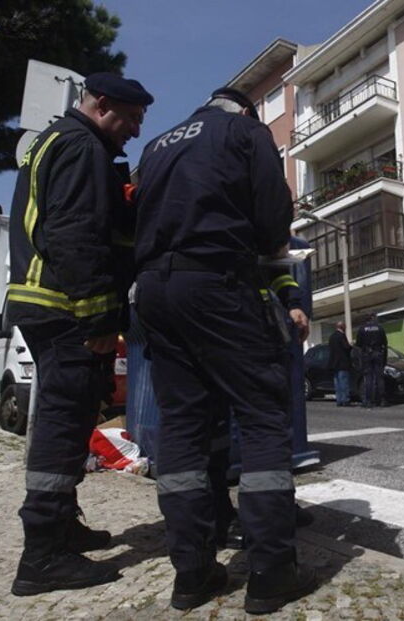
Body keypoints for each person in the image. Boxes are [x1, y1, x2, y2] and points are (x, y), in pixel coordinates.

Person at [133, 87, 315, 613]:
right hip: (215, 282)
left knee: (183, 427)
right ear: (248, 110)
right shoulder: (245, 132)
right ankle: (271, 571)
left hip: (155, 292)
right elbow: (272, 218)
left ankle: (192, 574)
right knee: (261, 416)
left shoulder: (158, 144)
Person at [6, 72, 153, 596]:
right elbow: (74, 233)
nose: (135, 131)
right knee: (62, 427)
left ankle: (62, 529)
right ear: (103, 104)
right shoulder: (82, 147)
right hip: (65, 308)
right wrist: (96, 319)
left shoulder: (54, 142)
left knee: (68, 422)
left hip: (46, 303)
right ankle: (42, 558)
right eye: (131, 118)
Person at [355, 312, 388, 408]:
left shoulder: (362, 329)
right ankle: (381, 399)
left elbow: (358, 344)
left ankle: (368, 401)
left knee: (368, 378)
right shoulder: (380, 328)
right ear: (373, 318)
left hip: (367, 355)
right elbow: (385, 343)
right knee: (379, 378)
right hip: (378, 354)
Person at [328, 322, 353, 406]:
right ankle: (345, 400)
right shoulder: (341, 336)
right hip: (343, 363)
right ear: (342, 327)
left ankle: (339, 400)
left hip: (334, 363)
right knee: (344, 382)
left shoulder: (331, 337)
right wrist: (350, 346)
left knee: (337, 383)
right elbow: (346, 347)